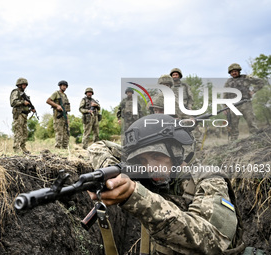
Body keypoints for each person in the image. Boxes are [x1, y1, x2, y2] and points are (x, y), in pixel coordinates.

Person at [88, 114, 244, 254]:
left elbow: (212, 241)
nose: (150, 167)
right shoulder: (155, 175)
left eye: (156, 155)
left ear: (176, 152)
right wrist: (116, 173)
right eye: (142, 160)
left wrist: (139, 197)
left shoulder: (209, 179)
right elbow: (98, 147)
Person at [224, 63, 266, 140]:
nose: (234, 73)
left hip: (245, 103)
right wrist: (225, 107)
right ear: (230, 73)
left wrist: (253, 91)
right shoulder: (228, 82)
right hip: (233, 105)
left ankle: (256, 139)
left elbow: (261, 82)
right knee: (233, 125)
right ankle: (233, 142)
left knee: (251, 122)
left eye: (235, 71)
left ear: (239, 71)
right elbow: (225, 95)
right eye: (232, 72)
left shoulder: (246, 78)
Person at [10, 77, 35, 154]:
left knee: (24, 133)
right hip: (18, 115)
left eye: (26, 85)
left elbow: (25, 105)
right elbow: (13, 102)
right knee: (18, 132)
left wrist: (31, 109)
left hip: (24, 115)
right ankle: (17, 148)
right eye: (23, 85)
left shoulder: (24, 95)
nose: (25, 86)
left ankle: (22, 147)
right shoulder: (15, 92)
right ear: (19, 85)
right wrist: (23, 102)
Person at [46, 80, 71, 149]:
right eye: (63, 85)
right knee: (59, 132)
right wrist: (57, 106)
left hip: (65, 116)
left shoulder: (65, 96)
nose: (64, 87)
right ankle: (57, 148)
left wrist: (67, 119)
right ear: (60, 86)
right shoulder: (56, 93)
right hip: (58, 116)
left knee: (66, 132)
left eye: (65, 86)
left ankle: (65, 148)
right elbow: (48, 101)